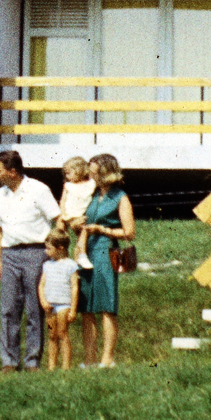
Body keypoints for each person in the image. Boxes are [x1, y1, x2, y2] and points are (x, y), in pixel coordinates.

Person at [0, 149, 61, 373]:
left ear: (12, 172)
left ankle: (32, 361)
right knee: (9, 308)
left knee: (34, 308)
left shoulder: (38, 189)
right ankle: (9, 361)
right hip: (10, 254)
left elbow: (58, 220)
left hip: (35, 253)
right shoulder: (0, 195)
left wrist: (56, 253)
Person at [76, 152, 134, 368]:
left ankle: (107, 358)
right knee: (86, 306)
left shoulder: (120, 197)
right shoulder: (94, 195)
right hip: (87, 252)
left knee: (106, 305)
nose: (91, 175)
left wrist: (102, 229)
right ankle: (89, 359)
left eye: (95, 172)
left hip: (106, 251)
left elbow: (129, 232)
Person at [38, 228, 80, 371]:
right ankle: (51, 366)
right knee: (51, 334)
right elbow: (41, 285)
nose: (46, 251)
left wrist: (73, 309)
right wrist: (43, 301)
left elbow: (74, 288)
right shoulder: (47, 265)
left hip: (63, 306)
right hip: (50, 308)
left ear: (60, 248)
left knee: (62, 333)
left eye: (49, 248)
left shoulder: (70, 265)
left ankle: (66, 366)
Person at [58, 155, 95, 267]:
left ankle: (79, 258)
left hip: (82, 214)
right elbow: (63, 200)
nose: (67, 176)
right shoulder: (68, 186)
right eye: (66, 174)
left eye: (69, 173)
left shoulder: (90, 184)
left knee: (82, 235)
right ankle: (65, 256)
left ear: (79, 171)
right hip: (70, 214)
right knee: (63, 234)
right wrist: (63, 212)